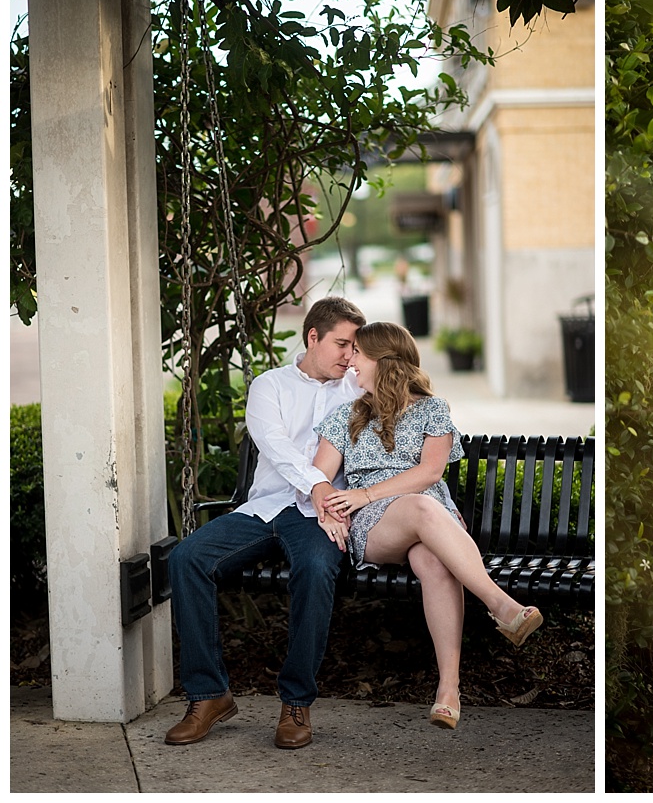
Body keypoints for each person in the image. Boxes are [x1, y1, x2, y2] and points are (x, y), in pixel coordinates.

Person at [313, 321, 542, 730]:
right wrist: (331, 505)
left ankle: (448, 691)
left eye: (359, 356)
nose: (351, 363)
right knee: (421, 509)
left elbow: (431, 472)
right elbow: (319, 475)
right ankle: (501, 605)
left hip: (429, 515)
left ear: (385, 362)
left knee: (435, 563)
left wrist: (373, 496)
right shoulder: (347, 415)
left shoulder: (433, 409)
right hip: (375, 521)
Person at [165, 296, 366, 749]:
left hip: (321, 516)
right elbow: (274, 444)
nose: (349, 355)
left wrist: (327, 497)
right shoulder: (270, 385)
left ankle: (296, 703)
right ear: (312, 336)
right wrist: (316, 482)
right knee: (186, 559)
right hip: (267, 507)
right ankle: (209, 695)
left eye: (354, 347)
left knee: (316, 571)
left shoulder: (357, 389)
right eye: (341, 343)